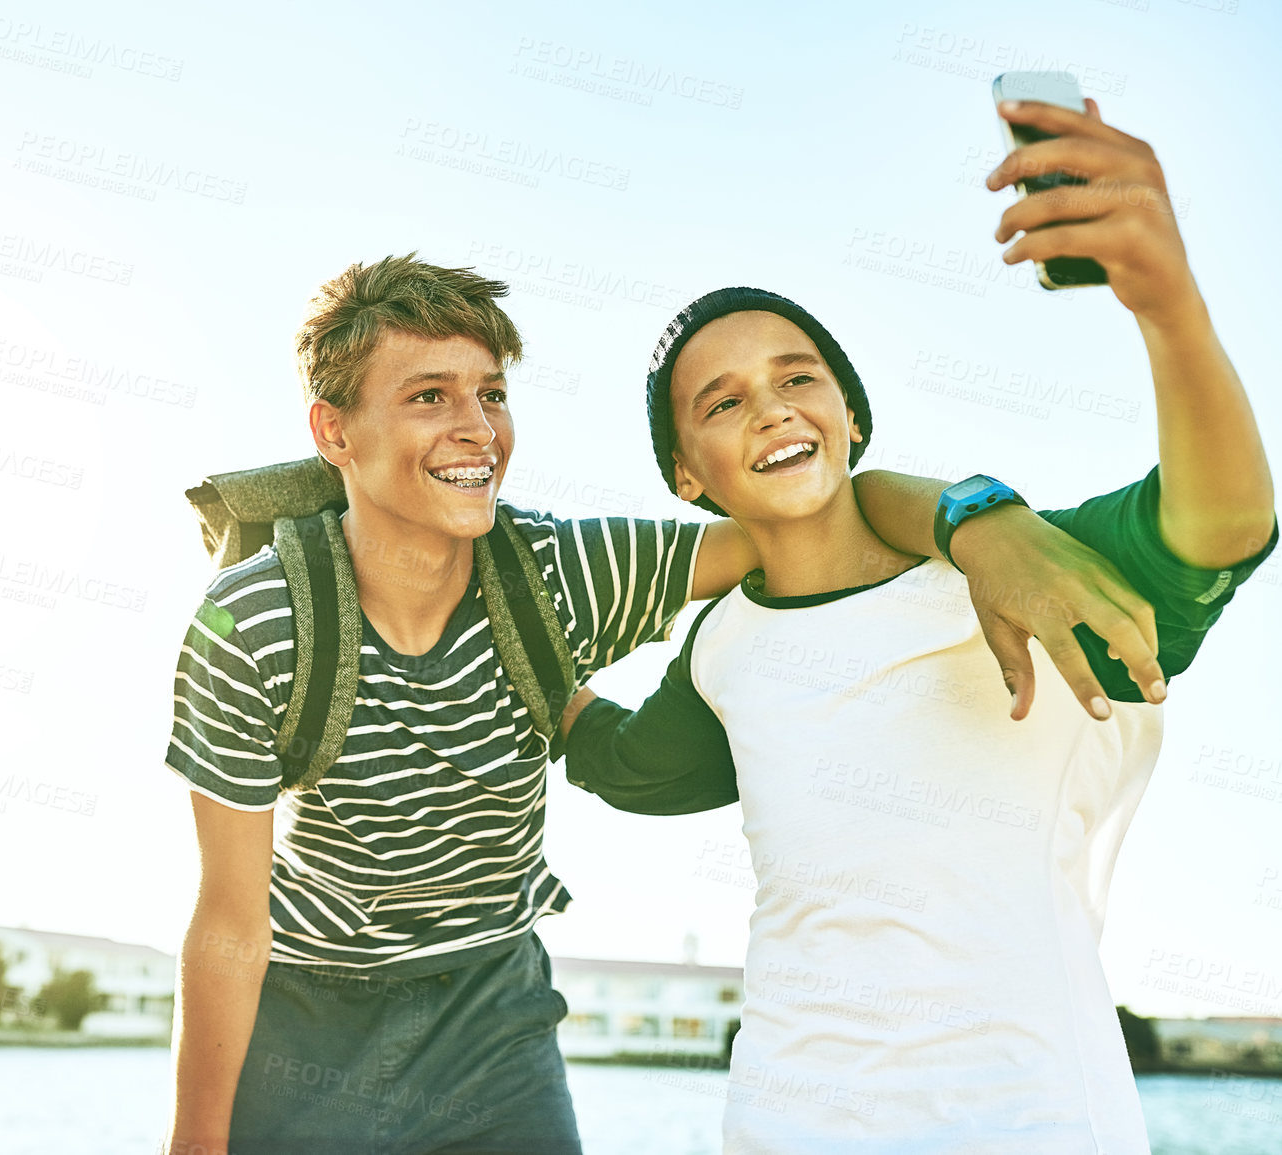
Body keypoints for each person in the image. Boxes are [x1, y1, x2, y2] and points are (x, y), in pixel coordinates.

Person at [159, 253, 1167, 1155]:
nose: (477, 429)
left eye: (493, 393)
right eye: (430, 395)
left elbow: (812, 517)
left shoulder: (557, 575)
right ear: (333, 430)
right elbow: (230, 919)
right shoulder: (254, 624)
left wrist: (970, 521)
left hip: (490, 1010)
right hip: (307, 1010)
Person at [560, 97, 1276, 1152]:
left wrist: (1166, 305)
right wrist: (468, 620)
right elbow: (623, 763)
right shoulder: (720, 651)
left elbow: (1220, 523)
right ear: (687, 474)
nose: (771, 408)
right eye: (721, 402)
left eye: (798, 377)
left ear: (852, 414)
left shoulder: (1014, 567)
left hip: (1030, 1126)